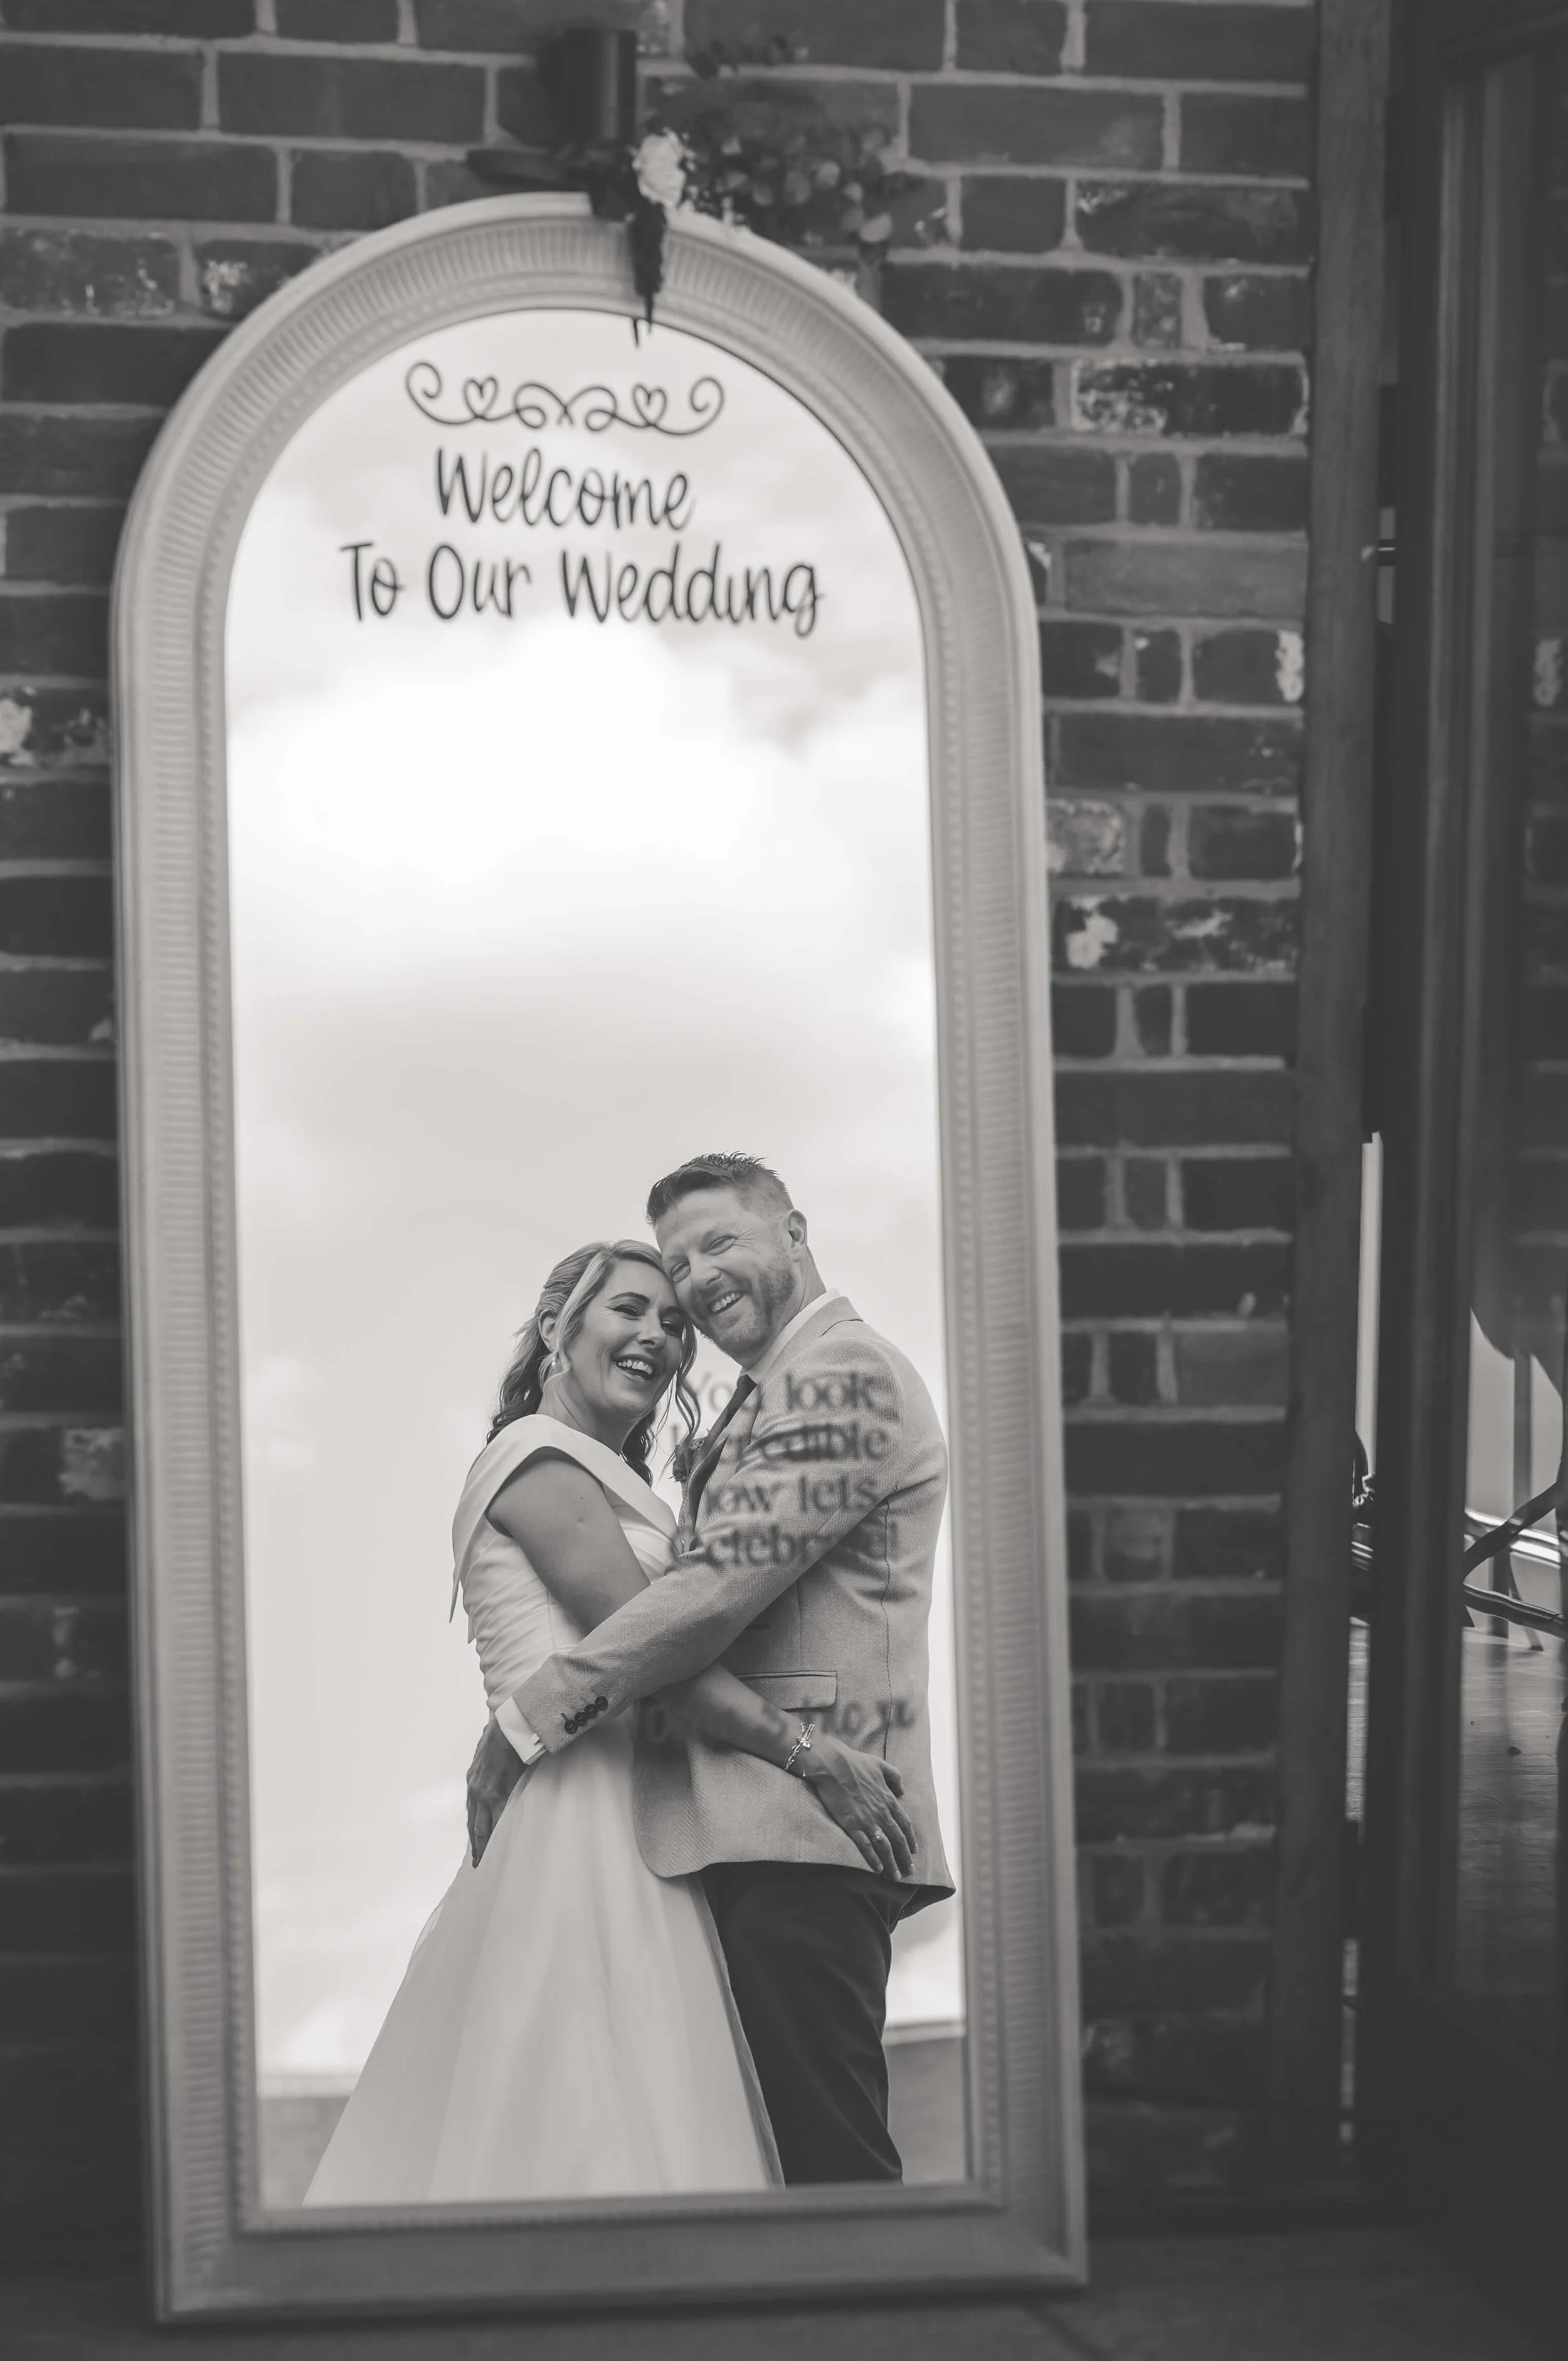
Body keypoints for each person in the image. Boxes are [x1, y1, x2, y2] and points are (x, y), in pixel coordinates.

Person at [304, 1237, 911, 2205]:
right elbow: (655, 1665)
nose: (658, 1337)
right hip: (577, 1829)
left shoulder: (617, 1480)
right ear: (557, 1328)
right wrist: (809, 1754)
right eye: (628, 1309)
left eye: (674, 1324)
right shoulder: (531, 1460)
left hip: (651, 1823)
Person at [468, 1153, 953, 2185]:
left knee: (829, 2165)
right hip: (728, 1828)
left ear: (794, 1231)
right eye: (680, 1265)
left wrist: (530, 1713)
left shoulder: (842, 1373)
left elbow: (718, 1588)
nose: (696, 1283)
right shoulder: (755, 1399)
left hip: (802, 1829)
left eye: (717, 1244)